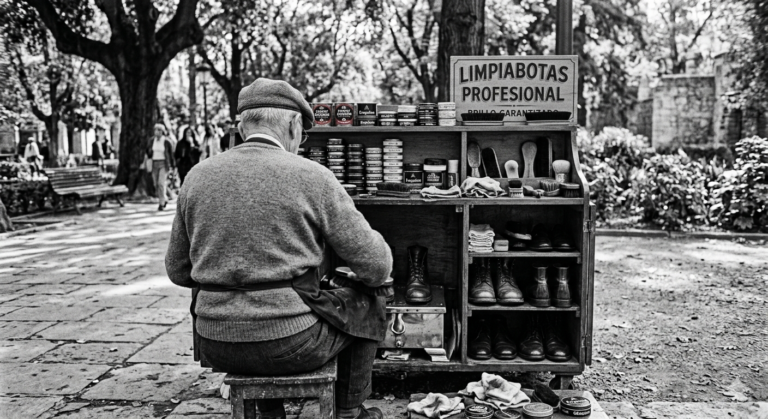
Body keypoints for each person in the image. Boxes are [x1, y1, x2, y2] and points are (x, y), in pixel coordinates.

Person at [165, 78, 392, 419]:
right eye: (302, 134)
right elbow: (376, 267)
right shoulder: (313, 176)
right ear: (293, 125)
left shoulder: (197, 176)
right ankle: (349, 412)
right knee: (369, 303)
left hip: (214, 342)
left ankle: (270, 413)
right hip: (291, 344)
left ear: (243, 127)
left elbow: (178, 270)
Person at [147, 123, 175, 211]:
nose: (157, 132)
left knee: (161, 183)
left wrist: (173, 166)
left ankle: (161, 203)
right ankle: (165, 198)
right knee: (156, 184)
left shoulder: (166, 141)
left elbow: (171, 155)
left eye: (159, 130)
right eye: (156, 130)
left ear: (162, 131)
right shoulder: (152, 140)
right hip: (154, 163)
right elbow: (148, 152)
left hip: (164, 164)